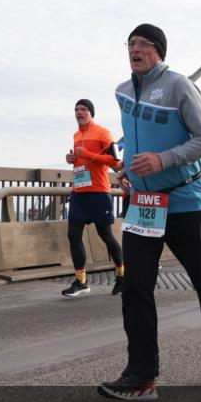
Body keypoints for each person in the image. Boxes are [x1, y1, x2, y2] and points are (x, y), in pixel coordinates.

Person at [99, 23, 201, 401]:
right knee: (135, 286)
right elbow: (136, 141)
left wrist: (163, 160)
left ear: (158, 51)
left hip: (184, 200)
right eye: (130, 44)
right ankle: (142, 375)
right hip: (142, 205)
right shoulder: (122, 92)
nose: (134, 49)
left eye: (142, 44)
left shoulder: (178, 85)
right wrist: (125, 170)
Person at [62, 98, 125, 297]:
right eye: (76, 109)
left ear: (91, 113)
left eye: (83, 109)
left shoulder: (103, 132)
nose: (78, 112)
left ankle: (122, 275)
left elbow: (116, 162)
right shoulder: (76, 135)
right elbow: (82, 161)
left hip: (98, 191)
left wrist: (88, 154)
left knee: (105, 234)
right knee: (73, 234)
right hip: (79, 191)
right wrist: (72, 159)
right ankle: (81, 281)